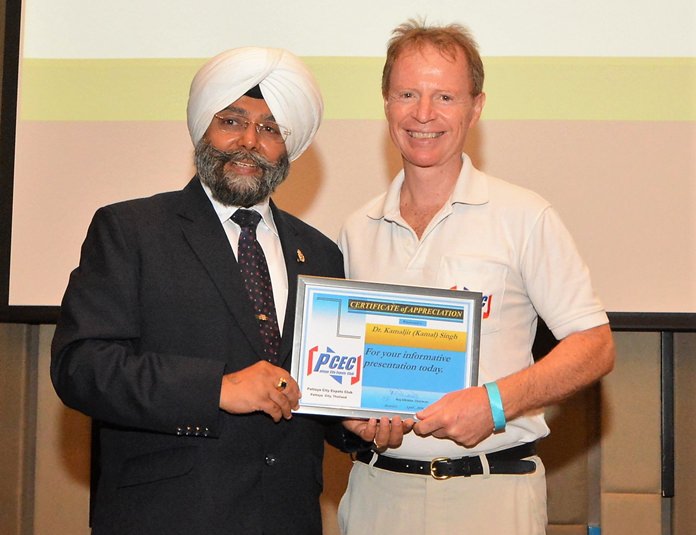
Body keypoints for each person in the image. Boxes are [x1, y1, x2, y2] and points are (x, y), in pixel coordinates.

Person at [51, 47, 348, 535]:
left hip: (286, 518)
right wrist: (216, 388)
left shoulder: (320, 253)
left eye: (271, 129)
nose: (249, 141)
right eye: (231, 121)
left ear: (287, 148)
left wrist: (357, 425)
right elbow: (81, 367)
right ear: (202, 129)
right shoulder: (132, 229)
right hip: (166, 518)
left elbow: (319, 390)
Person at [337, 20, 616, 535]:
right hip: (377, 494)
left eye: (445, 96)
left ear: (476, 107)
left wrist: (495, 403)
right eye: (407, 94)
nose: (423, 113)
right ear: (386, 103)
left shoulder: (524, 216)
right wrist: (354, 418)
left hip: (489, 494)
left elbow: (595, 346)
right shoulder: (357, 229)